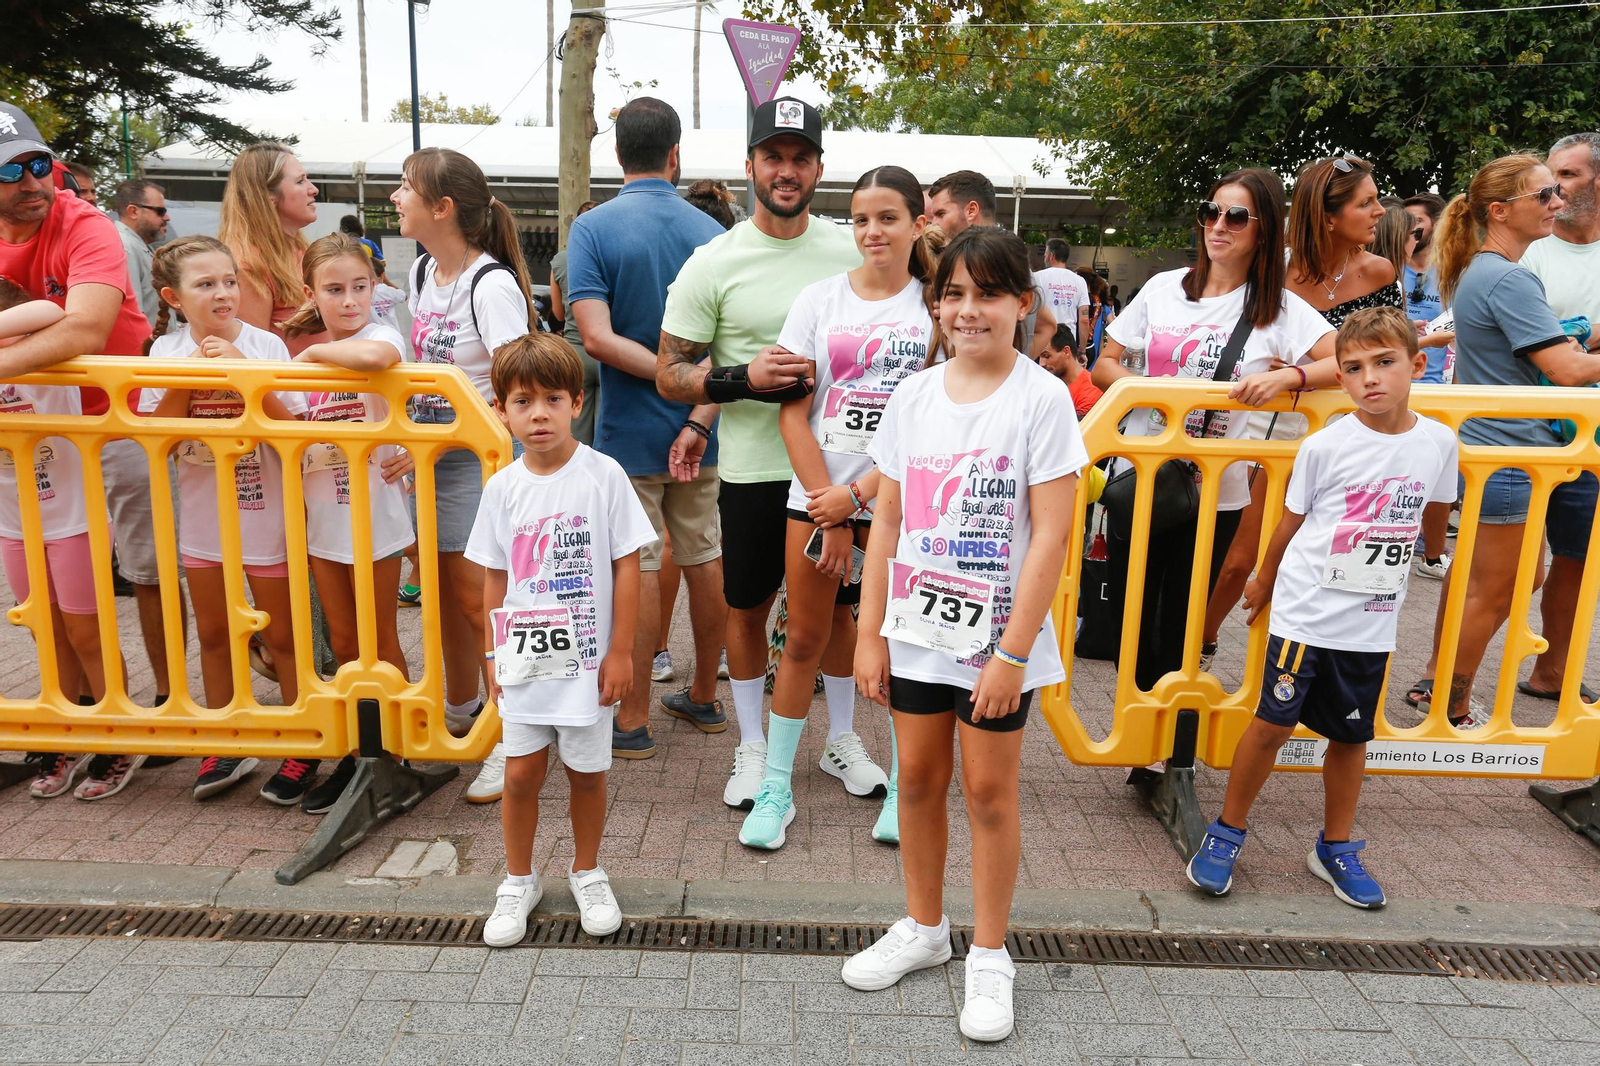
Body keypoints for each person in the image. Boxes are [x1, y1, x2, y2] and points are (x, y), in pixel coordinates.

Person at [842, 227, 1084, 1043]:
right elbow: (888, 521)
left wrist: (1013, 654)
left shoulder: (1041, 400)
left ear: (1024, 304)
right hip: (916, 629)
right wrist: (869, 632)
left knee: (987, 792)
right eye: (953, 294)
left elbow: (1051, 536)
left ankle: (988, 951)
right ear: (936, 304)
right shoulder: (913, 397)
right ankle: (923, 927)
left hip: (997, 642)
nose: (968, 310)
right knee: (914, 778)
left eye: (987, 294)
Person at [1187, 307, 1458, 909]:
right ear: (1340, 377)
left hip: (1371, 622)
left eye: (1385, 362)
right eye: (1354, 367)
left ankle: (1335, 846)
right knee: (1271, 724)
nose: (1370, 378)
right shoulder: (1326, 444)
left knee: (1351, 735)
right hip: (1306, 612)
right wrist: (1263, 578)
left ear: (1417, 365)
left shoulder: (1439, 442)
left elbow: (1436, 509)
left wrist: (1436, 556)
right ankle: (1226, 831)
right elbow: (1292, 519)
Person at [655, 96, 864, 807]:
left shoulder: (850, 251)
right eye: (773, 156)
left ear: (819, 169)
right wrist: (741, 377)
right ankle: (750, 747)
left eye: (800, 158)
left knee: (840, 611)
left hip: (839, 474)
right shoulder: (713, 261)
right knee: (747, 607)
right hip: (753, 472)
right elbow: (669, 372)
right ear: (750, 166)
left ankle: (841, 740)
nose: (786, 170)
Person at [733, 165, 937, 851]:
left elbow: (932, 425)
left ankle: (906, 790)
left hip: (905, 505)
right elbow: (793, 415)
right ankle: (776, 788)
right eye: (860, 219)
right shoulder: (819, 300)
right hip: (818, 501)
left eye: (888, 218)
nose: (872, 232)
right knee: (803, 641)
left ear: (918, 224)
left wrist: (859, 498)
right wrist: (835, 508)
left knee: (906, 649)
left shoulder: (937, 306)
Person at [1091, 169, 1336, 690]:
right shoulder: (1162, 288)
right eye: (1211, 211)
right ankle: (1138, 719)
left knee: (1180, 624)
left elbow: (1348, 361)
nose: (1219, 225)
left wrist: (1288, 377)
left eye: (1237, 216)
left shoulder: (1278, 309)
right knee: (1128, 620)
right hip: (1142, 474)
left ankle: (1168, 726)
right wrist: (1150, 389)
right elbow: (1104, 364)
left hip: (1215, 489)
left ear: (1264, 230)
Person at [0, 103, 176, 793]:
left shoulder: (85, 223)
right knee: (46, 608)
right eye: (9, 171)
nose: (32, 181)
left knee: (146, 572)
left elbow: (84, 327)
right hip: (35, 444)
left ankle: (160, 716)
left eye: (39, 164)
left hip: (116, 420)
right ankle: (73, 725)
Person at [469, 333, 655, 946]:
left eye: (553, 399)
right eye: (523, 402)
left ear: (577, 402)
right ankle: (517, 879)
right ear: (501, 410)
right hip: (525, 661)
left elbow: (628, 563)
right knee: (520, 773)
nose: (539, 414)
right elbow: (495, 575)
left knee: (587, 772)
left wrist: (621, 651)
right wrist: (491, 652)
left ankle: (588, 870)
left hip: (588, 665)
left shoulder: (604, 476)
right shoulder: (502, 488)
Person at [1406, 154, 1600, 726]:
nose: (1556, 203)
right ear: (1499, 211)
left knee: (1517, 579)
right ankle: (1448, 705)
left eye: (1556, 191)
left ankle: (1444, 693)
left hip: (1508, 451)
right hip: (1509, 454)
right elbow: (1566, 369)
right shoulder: (1508, 276)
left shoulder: (1488, 270)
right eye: (1543, 195)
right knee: (1491, 590)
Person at [567, 99, 728, 764]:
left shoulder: (592, 228)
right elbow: (728, 344)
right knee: (705, 555)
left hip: (627, 429)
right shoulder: (713, 232)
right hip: (704, 426)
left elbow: (596, 337)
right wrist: (691, 394)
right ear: (675, 154)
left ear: (616, 153)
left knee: (637, 564)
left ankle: (632, 718)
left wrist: (662, 375)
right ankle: (704, 694)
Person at [1195, 158, 1390, 671]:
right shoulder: (1271, 269)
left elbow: (1380, 357)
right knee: (1240, 559)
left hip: (1343, 432)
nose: (1379, 211)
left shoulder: (1379, 272)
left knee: (1323, 556)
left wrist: (1298, 374)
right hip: (1267, 428)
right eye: (1366, 202)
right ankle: (1198, 646)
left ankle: (1304, 672)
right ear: (1328, 217)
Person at [138, 236, 309, 800]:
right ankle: (226, 740)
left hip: (264, 513)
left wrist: (247, 376)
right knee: (214, 633)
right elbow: (159, 440)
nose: (222, 293)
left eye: (229, 281)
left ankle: (302, 743)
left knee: (281, 634)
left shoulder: (266, 345)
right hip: (203, 517)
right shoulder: (164, 353)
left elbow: (293, 434)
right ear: (174, 297)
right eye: (205, 284)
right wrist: (188, 378)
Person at [391, 147, 534, 750]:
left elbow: (519, 392)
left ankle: (511, 732)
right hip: (432, 464)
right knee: (448, 597)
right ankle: (464, 709)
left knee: (483, 605)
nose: (396, 197)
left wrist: (437, 439)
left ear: (442, 207)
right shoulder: (424, 271)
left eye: (406, 186)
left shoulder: (491, 285)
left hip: (480, 466)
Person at [282, 233, 418, 809]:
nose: (349, 300)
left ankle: (395, 750)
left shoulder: (379, 334)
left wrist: (312, 356)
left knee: (380, 638)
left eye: (359, 287)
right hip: (323, 518)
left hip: (376, 518)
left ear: (374, 287)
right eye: (334, 290)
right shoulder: (305, 354)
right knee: (343, 641)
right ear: (310, 293)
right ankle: (362, 749)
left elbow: (378, 360)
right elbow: (287, 421)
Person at [0, 280, 132, 799]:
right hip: (15, 527)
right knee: (47, 634)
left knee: (87, 635)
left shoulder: (50, 356)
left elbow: (48, 309)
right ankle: (69, 733)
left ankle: (119, 736)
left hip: (73, 521)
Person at [1513, 132, 1600, 705]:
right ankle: (1439, 675)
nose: (1554, 188)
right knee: (1504, 566)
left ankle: (1553, 672)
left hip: (1589, 436)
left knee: (1577, 558)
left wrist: (1574, 340)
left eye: (1567, 175)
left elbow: (1562, 343)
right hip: (1522, 426)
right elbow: (1538, 345)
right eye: (1550, 176)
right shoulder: (1528, 249)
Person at [924, 170, 1057, 357]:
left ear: (971, 210)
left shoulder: (1008, 261)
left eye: (941, 214)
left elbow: (1047, 326)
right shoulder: (1013, 261)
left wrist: (1015, 365)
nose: (934, 224)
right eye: (955, 294)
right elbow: (1048, 325)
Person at [217, 143, 324, 354]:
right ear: (267, 195)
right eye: (300, 181)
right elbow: (252, 357)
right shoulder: (247, 265)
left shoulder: (300, 250)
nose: (313, 189)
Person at [546, 200, 600, 446]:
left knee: (576, 429)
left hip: (575, 351)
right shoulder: (613, 256)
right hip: (610, 353)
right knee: (605, 430)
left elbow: (558, 314)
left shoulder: (560, 261)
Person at [1403, 194, 1451, 383]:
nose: (1409, 228)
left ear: (1437, 226)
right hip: (1391, 385)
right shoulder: (1388, 271)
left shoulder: (1454, 276)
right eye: (1405, 221)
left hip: (1434, 386)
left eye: (1416, 221)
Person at [111, 179, 167, 327]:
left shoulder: (136, 245)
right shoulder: (124, 247)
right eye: (160, 211)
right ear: (133, 212)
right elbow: (132, 315)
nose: (166, 218)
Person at [1033, 237, 1091, 348]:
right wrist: (1082, 350)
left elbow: (1031, 311)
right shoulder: (1080, 281)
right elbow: (1084, 320)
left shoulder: (1037, 277)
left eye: (1045, 255)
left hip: (1043, 342)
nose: (1044, 257)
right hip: (1068, 343)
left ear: (1051, 256)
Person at [1038, 323, 1101, 417]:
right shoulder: (1047, 384)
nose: (1041, 363)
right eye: (1039, 357)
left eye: (1047, 356)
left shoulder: (1089, 392)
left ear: (1066, 352)